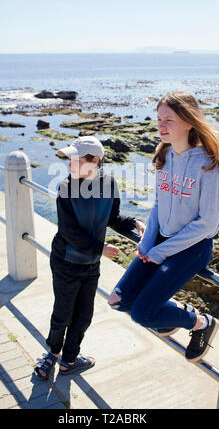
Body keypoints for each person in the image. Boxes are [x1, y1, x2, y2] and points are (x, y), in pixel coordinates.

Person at [108, 91, 219, 363]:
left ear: (188, 121)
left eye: (168, 120)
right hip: (161, 241)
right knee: (117, 300)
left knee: (141, 314)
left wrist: (161, 252)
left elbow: (207, 223)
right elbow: (159, 207)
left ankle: (201, 323)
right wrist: (148, 243)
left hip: (193, 248)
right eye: (159, 119)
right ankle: (174, 315)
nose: (161, 126)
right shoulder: (165, 156)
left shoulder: (208, 164)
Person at [34, 136, 145, 379]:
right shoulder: (66, 187)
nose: (70, 164)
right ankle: (52, 354)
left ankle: (69, 360)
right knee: (62, 313)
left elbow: (112, 218)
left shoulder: (109, 184)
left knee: (84, 316)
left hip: (90, 266)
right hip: (65, 261)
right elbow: (68, 231)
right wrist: (99, 249)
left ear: (95, 161)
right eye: (70, 159)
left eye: (76, 159)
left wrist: (134, 222)